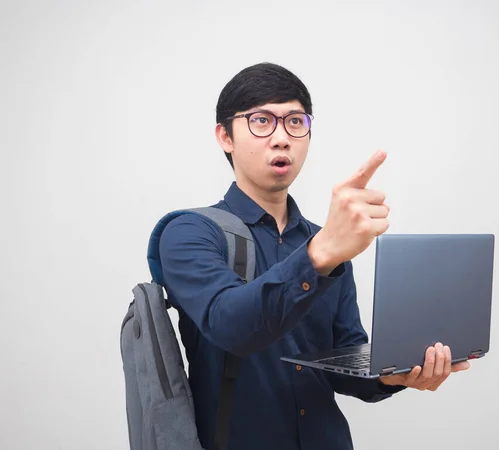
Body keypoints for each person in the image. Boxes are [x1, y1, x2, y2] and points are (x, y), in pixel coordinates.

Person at [158, 62, 470, 450]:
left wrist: (395, 375)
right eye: (261, 121)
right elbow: (230, 325)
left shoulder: (326, 242)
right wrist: (320, 255)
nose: (281, 138)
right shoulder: (189, 232)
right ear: (225, 136)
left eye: (295, 121)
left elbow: (344, 360)